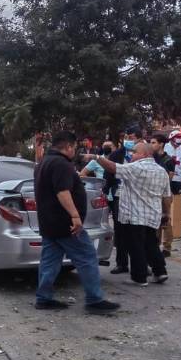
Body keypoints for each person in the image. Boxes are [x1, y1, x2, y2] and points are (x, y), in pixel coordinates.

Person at [34, 131, 120, 314]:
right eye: (74, 148)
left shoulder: (43, 162)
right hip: (66, 224)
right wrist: (75, 216)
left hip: (49, 222)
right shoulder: (61, 164)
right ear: (68, 147)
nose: (75, 151)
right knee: (87, 257)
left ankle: (43, 298)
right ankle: (94, 300)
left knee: (49, 261)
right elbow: (62, 192)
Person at [88, 142, 171, 286]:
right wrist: (167, 213)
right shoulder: (161, 171)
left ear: (144, 154)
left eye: (134, 152)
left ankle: (139, 277)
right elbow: (167, 196)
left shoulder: (136, 167)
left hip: (135, 216)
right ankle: (160, 271)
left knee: (136, 246)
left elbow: (112, 167)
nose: (131, 154)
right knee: (151, 243)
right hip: (152, 215)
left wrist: (96, 157)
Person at [104, 127, 143, 274]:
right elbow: (109, 174)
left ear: (139, 138)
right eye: (125, 137)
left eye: (130, 137)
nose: (127, 140)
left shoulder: (146, 153)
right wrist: (107, 190)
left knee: (138, 231)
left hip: (139, 197)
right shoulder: (116, 155)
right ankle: (122, 263)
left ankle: (141, 264)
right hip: (119, 196)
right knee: (120, 230)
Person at [150, 133, 175, 256]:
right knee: (155, 221)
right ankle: (155, 244)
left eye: (154, 142)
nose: (151, 145)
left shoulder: (168, 160)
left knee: (166, 220)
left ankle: (167, 247)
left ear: (161, 144)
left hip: (165, 194)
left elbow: (169, 179)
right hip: (153, 193)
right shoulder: (151, 158)